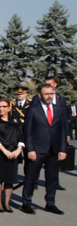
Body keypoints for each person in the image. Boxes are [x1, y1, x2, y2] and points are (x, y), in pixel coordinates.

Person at [21, 84, 68, 215]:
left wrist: (63, 149)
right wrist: (30, 149)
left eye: (51, 94)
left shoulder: (59, 109)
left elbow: (63, 131)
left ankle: (50, 203)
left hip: (54, 150)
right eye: (46, 94)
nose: (49, 96)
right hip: (37, 150)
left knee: (52, 178)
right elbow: (28, 132)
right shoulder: (32, 109)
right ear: (40, 95)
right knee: (31, 178)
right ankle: (26, 203)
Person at [0, 99, 24, 212]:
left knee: (9, 179)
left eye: (4, 106)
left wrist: (18, 149)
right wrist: (4, 151)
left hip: (13, 152)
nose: (1, 109)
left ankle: (7, 203)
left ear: (8, 108)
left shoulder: (16, 120)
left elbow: (21, 134)